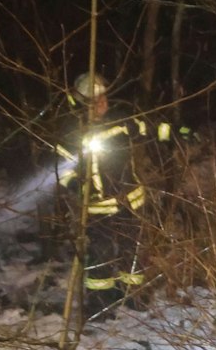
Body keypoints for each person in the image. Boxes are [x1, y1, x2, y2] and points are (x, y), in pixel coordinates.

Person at [52, 71, 174, 310]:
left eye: (103, 97)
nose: (102, 103)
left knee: (134, 251)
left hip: (132, 201)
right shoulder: (72, 135)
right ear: (81, 104)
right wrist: (77, 186)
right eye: (95, 100)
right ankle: (101, 303)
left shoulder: (122, 121)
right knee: (101, 255)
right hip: (99, 207)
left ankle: (134, 295)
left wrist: (177, 132)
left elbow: (151, 128)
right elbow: (62, 170)